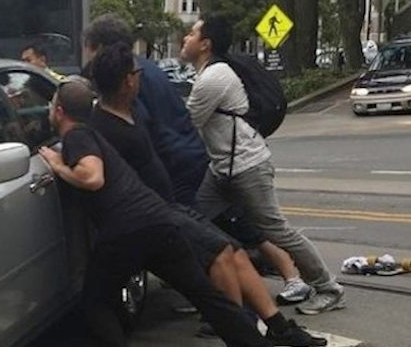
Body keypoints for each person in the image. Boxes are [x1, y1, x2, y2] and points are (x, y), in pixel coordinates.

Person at [87, 42, 325, 346]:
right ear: (127, 82)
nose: (141, 77)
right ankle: (246, 331)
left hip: (171, 203)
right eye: (136, 73)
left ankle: (279, 325)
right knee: (220, 259)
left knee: (234, 249)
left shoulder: (133, 111)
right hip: (157, 215)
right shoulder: (104, 127)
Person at [37, 80, 270, 347]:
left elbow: (92, 177)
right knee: (207, 297)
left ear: (59, 112)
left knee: (95, 303)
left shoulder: (76, 136)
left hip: (125, 230)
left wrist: (57, 165)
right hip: (159, 221)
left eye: (51, 106)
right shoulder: (91, 134)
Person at [181, 14, 346, 315]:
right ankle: (218, 288)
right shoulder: (209, 74)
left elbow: (186, 123)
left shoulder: (213, 78)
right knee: (196, 220)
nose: (185, 39)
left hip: (246, 166)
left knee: (276, 230)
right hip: (223, 169)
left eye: (191, 34)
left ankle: (328, 287)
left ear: (205, 44)